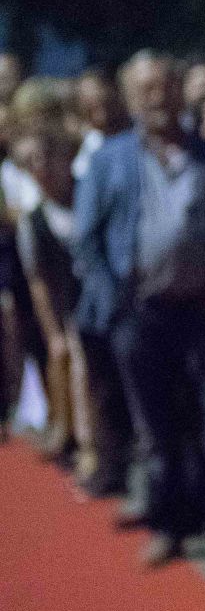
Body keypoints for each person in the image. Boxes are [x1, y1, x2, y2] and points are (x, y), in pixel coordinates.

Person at [74, 52, 205, 567]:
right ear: (130, 98)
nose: (158, 97)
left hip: (201, 310)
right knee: (156, 425)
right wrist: (114, 300)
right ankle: (169, 524)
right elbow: (86, 240)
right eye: (146, 89)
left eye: (167, 86)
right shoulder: (110, 159)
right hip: (140, 311)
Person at [14, 127, 83, 467]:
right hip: (69, 309)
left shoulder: (89, 197)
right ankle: (75, 439)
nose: (41, 168)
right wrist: (53, 333)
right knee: (71, 365)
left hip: (102, 305)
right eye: (31, 162)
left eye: (46, 158)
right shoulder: (33, 221)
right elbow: (38, 283)